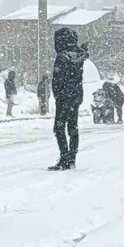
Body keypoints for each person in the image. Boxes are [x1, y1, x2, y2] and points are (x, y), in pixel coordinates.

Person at [48, 27, 88, 171]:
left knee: (59, 128)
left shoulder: (62, 57)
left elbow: (57, 81)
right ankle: (72, 158)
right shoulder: (79, 56)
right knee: (73, 127)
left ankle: (64, 157)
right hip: (76, 96)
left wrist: (58, 95)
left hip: (64, 97)